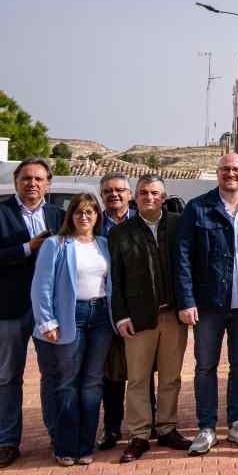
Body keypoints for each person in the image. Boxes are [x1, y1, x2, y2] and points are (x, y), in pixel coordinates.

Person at [175, 152, 238, 455]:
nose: (231, 174)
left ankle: (236, 423)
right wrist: (186, 300)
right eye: (226, 169)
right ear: (218, 173)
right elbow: (182, 256)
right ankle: (206, 426)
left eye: (237, 169)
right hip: (208, 304)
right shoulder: (198, 208)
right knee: (205, 366)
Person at [108, 175, 191, 462]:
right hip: (139, 317)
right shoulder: (121, 233)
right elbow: (115, 280)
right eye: (144, 192)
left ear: (164, 197)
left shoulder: (180, 225)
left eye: (155, 193)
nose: (149, 197)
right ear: (136, 197)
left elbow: (190, 266)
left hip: (173, 316)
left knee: (171, 377)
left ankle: (167, 428)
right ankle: (139, 435)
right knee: (137, 379)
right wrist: (121, 316)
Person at [29, 192, 114, 467]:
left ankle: (86, 445)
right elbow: (41, 286)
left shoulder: (104, 244)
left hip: (101, 317)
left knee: (92, 383)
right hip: (70, 316)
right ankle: (66, 446)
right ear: (71, 216)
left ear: (97, 216)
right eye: (79, 212)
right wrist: (47, 321)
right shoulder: (55, 244)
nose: (84, 216)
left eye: (90, 212)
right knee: (67, 382)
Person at [0, 157, 64, 468]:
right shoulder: (1, 213)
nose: (32, 184)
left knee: (53, 374)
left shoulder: (57, 215)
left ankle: (57, 435)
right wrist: (29, 247)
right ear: (16, 181)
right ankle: (7, 441)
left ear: (48, 183)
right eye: (26, 178)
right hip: (10, 309)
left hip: (47, 311)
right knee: (7, 377)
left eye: (39, 179)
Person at [96, 172, 136, 451]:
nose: (114, 195)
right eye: (108, 191)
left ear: (129, 194)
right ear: (101, 195)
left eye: (120, 190)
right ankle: (112, 428)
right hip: (105, 307)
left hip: (138, 307)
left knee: (142, 371)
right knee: (111, 373)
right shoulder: (92, 223)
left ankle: (146, 423)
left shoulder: (142, 221)